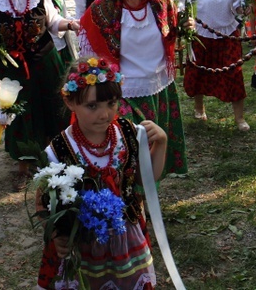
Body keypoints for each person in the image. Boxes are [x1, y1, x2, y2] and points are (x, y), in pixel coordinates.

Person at [36, 58, 165, 290]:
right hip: (83, 242)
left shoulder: (128, 133)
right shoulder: (60, 150)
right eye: (92, 106)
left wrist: (161, 143)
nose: (105, 114)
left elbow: (146, 180)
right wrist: (57, 235)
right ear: (70, 101)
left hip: (127, 234)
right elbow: (43, 204)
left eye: (111, 103)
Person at [78, 0, 188, 177]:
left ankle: (148, 197)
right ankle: (131, 198)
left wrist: (188, 26)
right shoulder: (102, 8)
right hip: (124, 90)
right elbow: (88, 48)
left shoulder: (162, 1)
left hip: (159, 87)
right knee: (131, 149)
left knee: (157, 145)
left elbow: (173, 31)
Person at [0, 0, 78, 190]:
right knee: (18, 113)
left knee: (52, 107)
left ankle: (55, 157)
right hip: (11, 66)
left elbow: (53, 21)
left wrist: (71, 23)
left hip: (45, 60)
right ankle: (23, 166)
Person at [183, 0, 249, 131]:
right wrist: (187, 20)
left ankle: (239, 118)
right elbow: (186, 6)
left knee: (234, 75)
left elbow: (238, 5)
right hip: (202, 36)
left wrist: (245, 8)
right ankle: (199, 107)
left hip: (227, 35)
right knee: (199, 73)